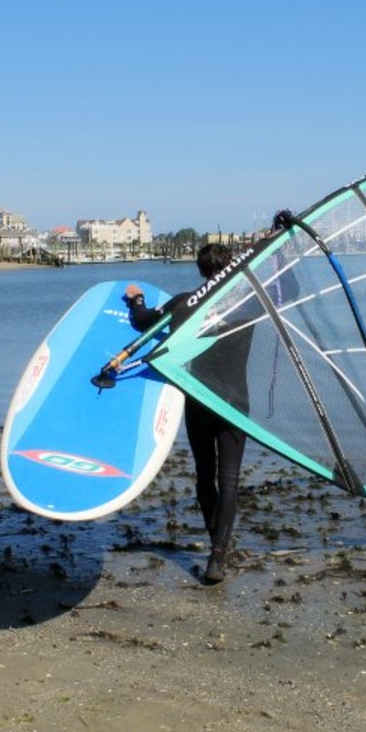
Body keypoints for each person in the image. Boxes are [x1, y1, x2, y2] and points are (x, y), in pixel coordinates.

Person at [125, 243, 248, 585]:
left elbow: (142, 322)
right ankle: (218, 557)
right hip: (234, 404)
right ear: (231, 266)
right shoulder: (248, 302)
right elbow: (289, 287)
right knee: (230, 482)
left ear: (200, 270)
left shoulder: (182, 303)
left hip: (198, 402)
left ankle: (215, 543)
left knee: (205, 476)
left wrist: (135, 297)